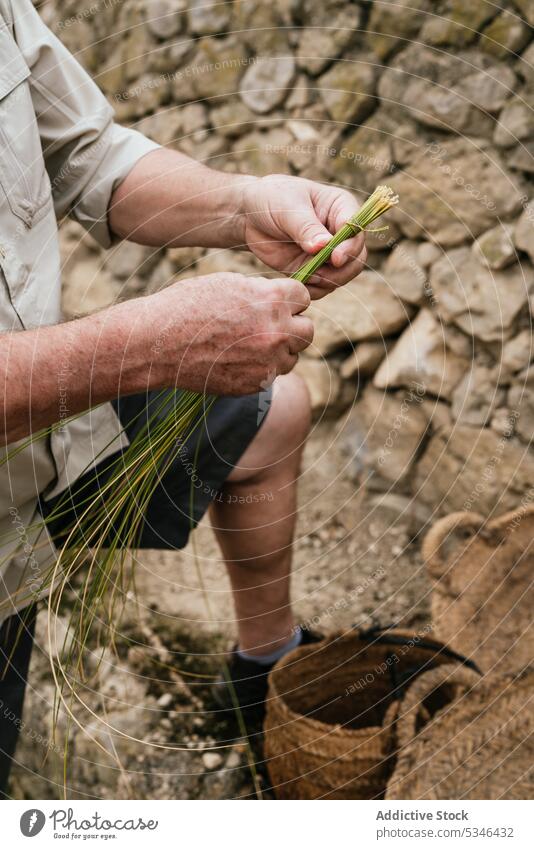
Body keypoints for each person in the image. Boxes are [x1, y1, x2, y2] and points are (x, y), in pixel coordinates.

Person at [0, 0, 367, 794]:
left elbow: (91, 156)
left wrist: (247, 205)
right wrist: (141, 347)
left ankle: (264, 670)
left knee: (273, 413)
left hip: (38, 448)